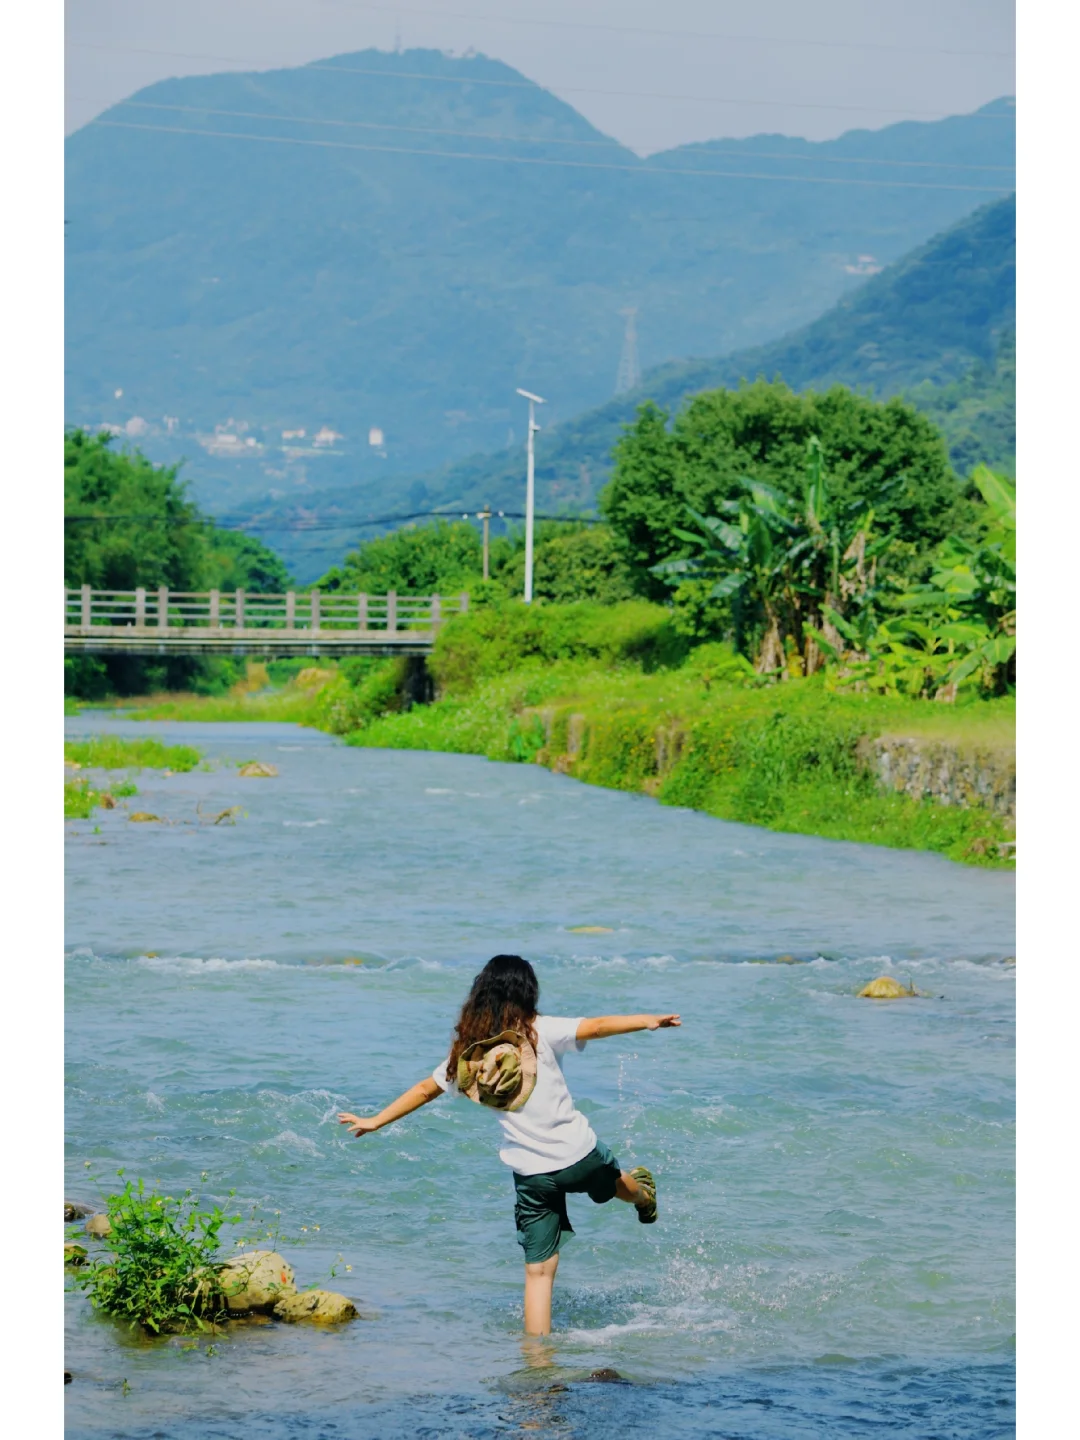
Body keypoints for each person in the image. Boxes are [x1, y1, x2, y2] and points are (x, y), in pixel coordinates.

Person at [338, 953, 681, 1336]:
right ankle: (644, 1199)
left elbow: (424, 1090)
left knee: (538, 1273)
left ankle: (537, 1371)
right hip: (577, 1154)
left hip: (531, 1175)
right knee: (617, 1181)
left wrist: (374, 1121)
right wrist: (646, 1021)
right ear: (527, 993)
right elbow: (597, 1026)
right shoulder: (540, 1031)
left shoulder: (472, 1055)